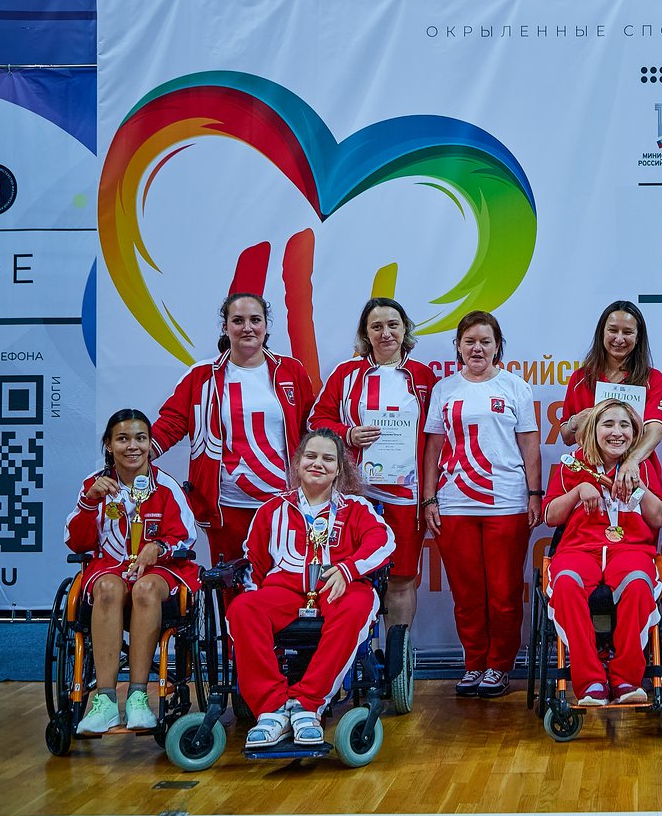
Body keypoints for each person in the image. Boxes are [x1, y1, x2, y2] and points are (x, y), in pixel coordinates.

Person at [228, 429, 395, 748]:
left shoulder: (356, 507)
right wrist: (256, 593)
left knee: (357, 606)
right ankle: (273, 709)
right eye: (311, 456)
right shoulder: (272, 509)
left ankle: (307, 706)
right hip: (286, 589)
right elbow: (254, 561)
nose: (318, 463)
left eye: (328, 458)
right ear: (297, 462)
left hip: (339, 585)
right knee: (243, 608)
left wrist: (348, 569)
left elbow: (382, 542)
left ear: (339, 468)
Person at [421, 311, 542, 699]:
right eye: (469, 341)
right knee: (467, 594)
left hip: (506, 503)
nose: (477, 348)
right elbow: (433, 448)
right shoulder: (444, 389)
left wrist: (534, 494)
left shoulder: (515, 387)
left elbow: (529, 446)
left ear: (497, 346)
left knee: (504, 594)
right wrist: (429, 498)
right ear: (457, 346)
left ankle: (499, 666)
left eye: (485, 342)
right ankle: (474, 663)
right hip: (454, 503)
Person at [152, 292, 314, 567]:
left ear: (266, 325)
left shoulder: (291, 370)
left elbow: (310, 427)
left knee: (283, 580)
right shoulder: (201, 375)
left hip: (283, 499)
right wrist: (136, 455)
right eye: (238, 321)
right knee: (229, 583)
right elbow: (171, 423)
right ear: (225, 327)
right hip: (226, 505)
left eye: (255, 320)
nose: (247, 327)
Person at [64, 409, 199, 735]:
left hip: (159, 572)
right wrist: (89, 502)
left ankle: (138, 697)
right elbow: (76, 542)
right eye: (123, 439)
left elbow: (185, 536)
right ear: (109, 445)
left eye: (140, 438)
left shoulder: (165, 486)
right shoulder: (94, 486)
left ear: (150, 443)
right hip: (111, 568)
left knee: (145, 588)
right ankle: (106, 701)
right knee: (107, 588)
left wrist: (159, 547)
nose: (132, 446)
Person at [310, 297, 436, 638]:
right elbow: (316, 420)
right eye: (376, 327)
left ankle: (397, 656)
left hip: (406, 496)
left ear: (405, 329)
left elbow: (436, 437)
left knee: (402, 576)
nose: (386, 333)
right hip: (355, 494)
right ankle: (354, 651)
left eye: (393, 325)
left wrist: (429, 494)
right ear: (366, 333)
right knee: (350, 573)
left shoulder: (423, 376)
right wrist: (347, 433)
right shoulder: (346, 373)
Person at [544, 398, 662, 705]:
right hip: (579, 549)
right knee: (565, 583)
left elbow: (657, 518)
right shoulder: (572, 464)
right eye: (608, 424)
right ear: (593, 429)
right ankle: (590, 682)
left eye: (625, 425)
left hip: (629, 548)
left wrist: (637, 485)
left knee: (638, 584)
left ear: (634, 432)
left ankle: (626, 679)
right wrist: (578, 491)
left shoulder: (643, 466)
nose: (617, 432)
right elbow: (550, 516)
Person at [561, 300, 662, 501]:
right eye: (612, 330)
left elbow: (654, 431)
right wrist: (575, 422)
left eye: (627, 332)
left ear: (638, 337)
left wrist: (632, 461)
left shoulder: (652, 379)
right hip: (589, 474)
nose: (619, 339)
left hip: (636, 473)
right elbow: (566, 437)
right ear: (602, 333)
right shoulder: (580, 378)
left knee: (640, 521)